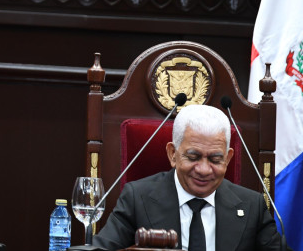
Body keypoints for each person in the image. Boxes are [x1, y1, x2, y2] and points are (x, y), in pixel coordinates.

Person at [94, 104, 281, 251]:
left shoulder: (252, 206)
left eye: (215, 159)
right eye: (193, 157)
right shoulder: (137, 198)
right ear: (172, 154)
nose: (204, 170)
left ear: (228, 158)